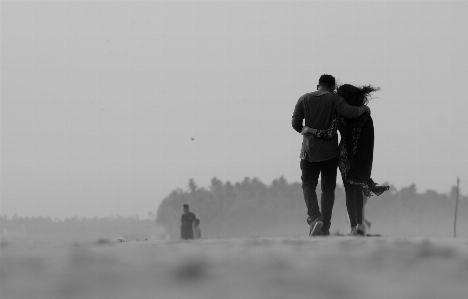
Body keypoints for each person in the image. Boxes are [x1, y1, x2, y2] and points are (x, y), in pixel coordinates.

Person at [303, 84, 389, 236]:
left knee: (350, 191)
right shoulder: (365, 116)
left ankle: (353, 228)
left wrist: (311, 130)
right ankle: (360, 226)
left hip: (344, 158)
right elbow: (369, 140)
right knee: (357, 190)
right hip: (361, 159)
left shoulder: (341, 115)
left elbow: (329, 133)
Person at [291, 74, 371, 236]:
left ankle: (315, 217)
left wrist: (306, 131)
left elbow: (295, 124)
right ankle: (325, 227)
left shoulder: (303, 99)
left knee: (308, 186)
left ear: (317, 85)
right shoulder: (334, 99)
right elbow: (350, 112)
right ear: (332, 87)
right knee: (328, 190)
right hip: (330, 153)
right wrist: (364, 108)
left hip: (308, 151)